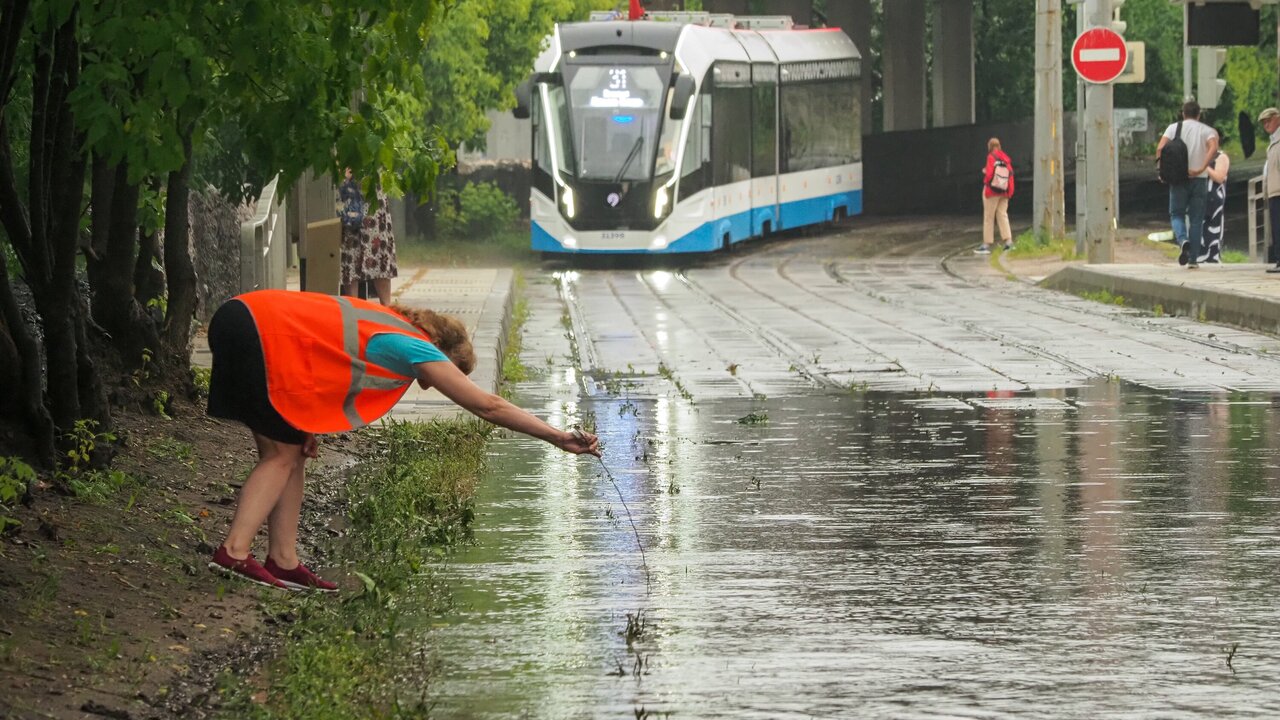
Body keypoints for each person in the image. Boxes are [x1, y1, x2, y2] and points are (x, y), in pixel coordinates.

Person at [205, 289, 600, 590]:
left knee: (293, 451)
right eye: (445, 373)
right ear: (440, 352)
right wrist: (557, 436)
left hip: (248, 322)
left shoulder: (390, 323)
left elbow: (323, 358)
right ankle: (235, 551)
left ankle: (284, 560)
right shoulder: (412, 346)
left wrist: (304, 423)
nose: (428, 386)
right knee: (280, 455)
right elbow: (488, 406)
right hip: (255, 331)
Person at [1156, 100, 1218, 270]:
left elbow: (1160, 148)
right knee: (1196, 220)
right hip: (1199, 179)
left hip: (1178, 178)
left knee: (1176, 214)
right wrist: (1202, 167)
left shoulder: (1173, 128)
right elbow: (1213, 148)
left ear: (1183, 113)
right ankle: (1193, 260)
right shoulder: (1207, 130)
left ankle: (1183, 240)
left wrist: (1162, 171)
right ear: (1199, 114)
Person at [335, 170, 399, 305]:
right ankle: (353, 306)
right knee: (351, 252)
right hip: (351, 195)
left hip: (371, 195)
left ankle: (385, 306)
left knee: (378, 250)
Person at [977, 137, 1014, 255]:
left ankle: (986, 244)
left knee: (989, 217)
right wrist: (1010, 191)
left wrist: (985, 174)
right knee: (1002, 215)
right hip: (1004, 191)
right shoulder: (1005, 158)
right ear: (999, 146)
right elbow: (1010, 174)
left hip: (992, 192)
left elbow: (989, 175)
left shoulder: (991, 157)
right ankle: (1008, 241)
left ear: (989, 146)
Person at [1198, 140, 1229, 264]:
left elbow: (1220, 177)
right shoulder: (1197, 157)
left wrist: (1204, 167)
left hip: (1214, 200)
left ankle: (1213, 257)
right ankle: (1198, 257)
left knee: (1213, 229)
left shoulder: (1221, 157)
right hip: (1198, 199)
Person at [1260, 108, 1280, 273]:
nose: (1266, 125)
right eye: (1264, 122)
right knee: (1276, 227)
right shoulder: (1273, 143)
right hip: (1274, 191)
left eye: (1269, 120)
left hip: (1278, 190)